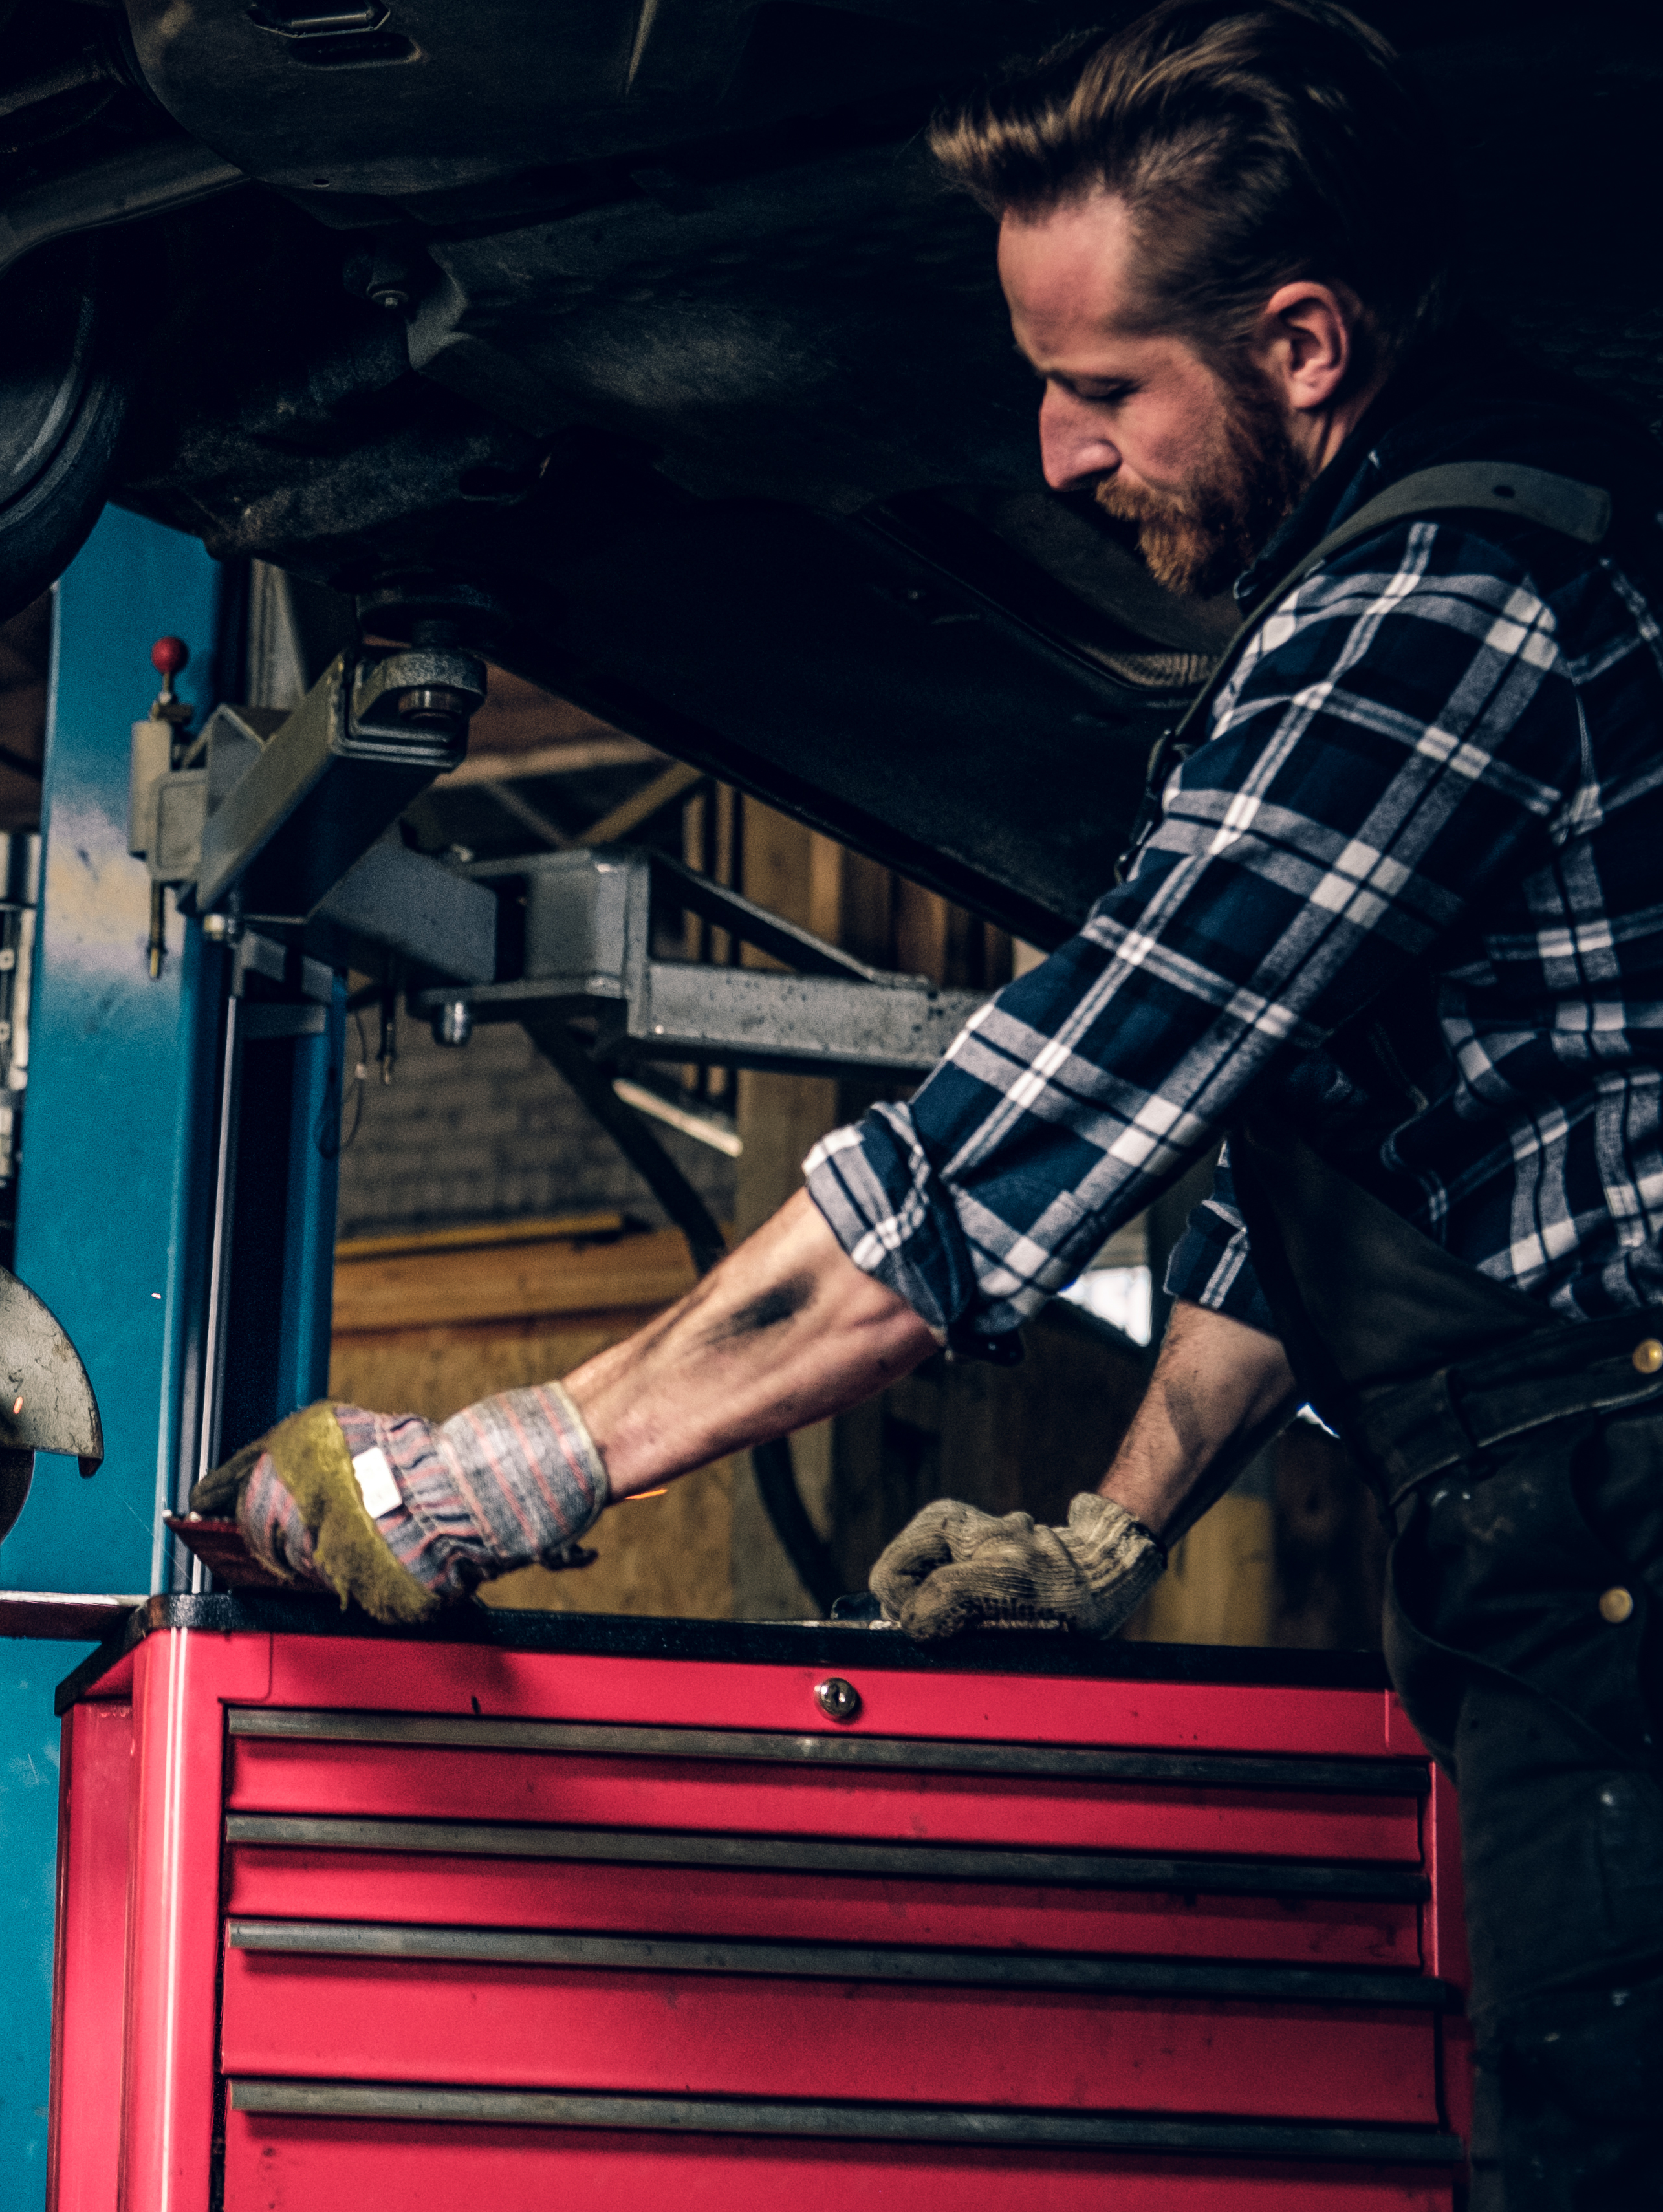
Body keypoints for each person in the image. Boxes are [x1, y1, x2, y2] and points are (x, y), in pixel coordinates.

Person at [199, 4, 1663, 2198]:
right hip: (1549, 1532)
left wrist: (509, 1467)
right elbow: (1310, 1174)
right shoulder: (1361, 598)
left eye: (1100, 391)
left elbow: (1017, 1142)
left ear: (1298, 343)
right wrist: (1112, 1525)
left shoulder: (1444, 600)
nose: (1055, 458)